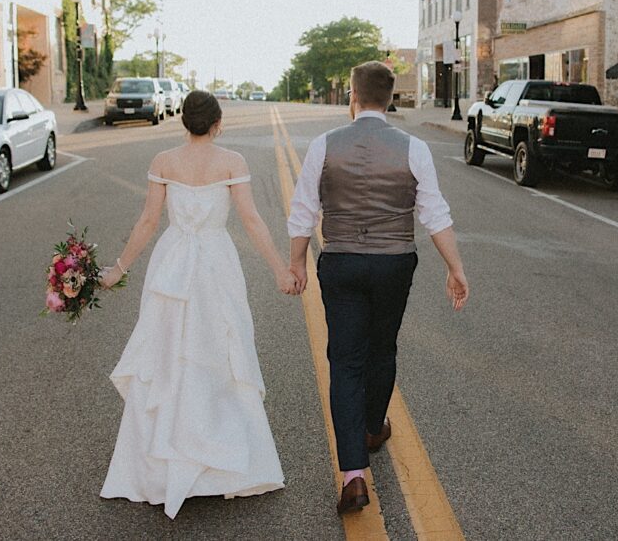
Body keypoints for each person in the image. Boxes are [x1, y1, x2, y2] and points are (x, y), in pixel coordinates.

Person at [98, 90, 295, 518]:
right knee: (219, 351)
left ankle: (165, 458)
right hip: (215, 264)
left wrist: (118, 268)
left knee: (169, 353)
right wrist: (282, 269)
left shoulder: (164, 161)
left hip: (171, 265)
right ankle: (220, 460)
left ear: (184, 122)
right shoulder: (232, 162)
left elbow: (149, 220)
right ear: (218, 123)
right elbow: (251, 220)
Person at [287, 60, 469, 515]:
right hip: (393, 264)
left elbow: (303, 210)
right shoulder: (414, 147)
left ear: (353, 95)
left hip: (342, 261)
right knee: (383, 348)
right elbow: (434, 214)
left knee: (345, 361)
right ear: (391, 99)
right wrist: (456, 268)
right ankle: (372, 427)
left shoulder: (324, 145)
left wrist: (296, 262)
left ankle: (353, 476)